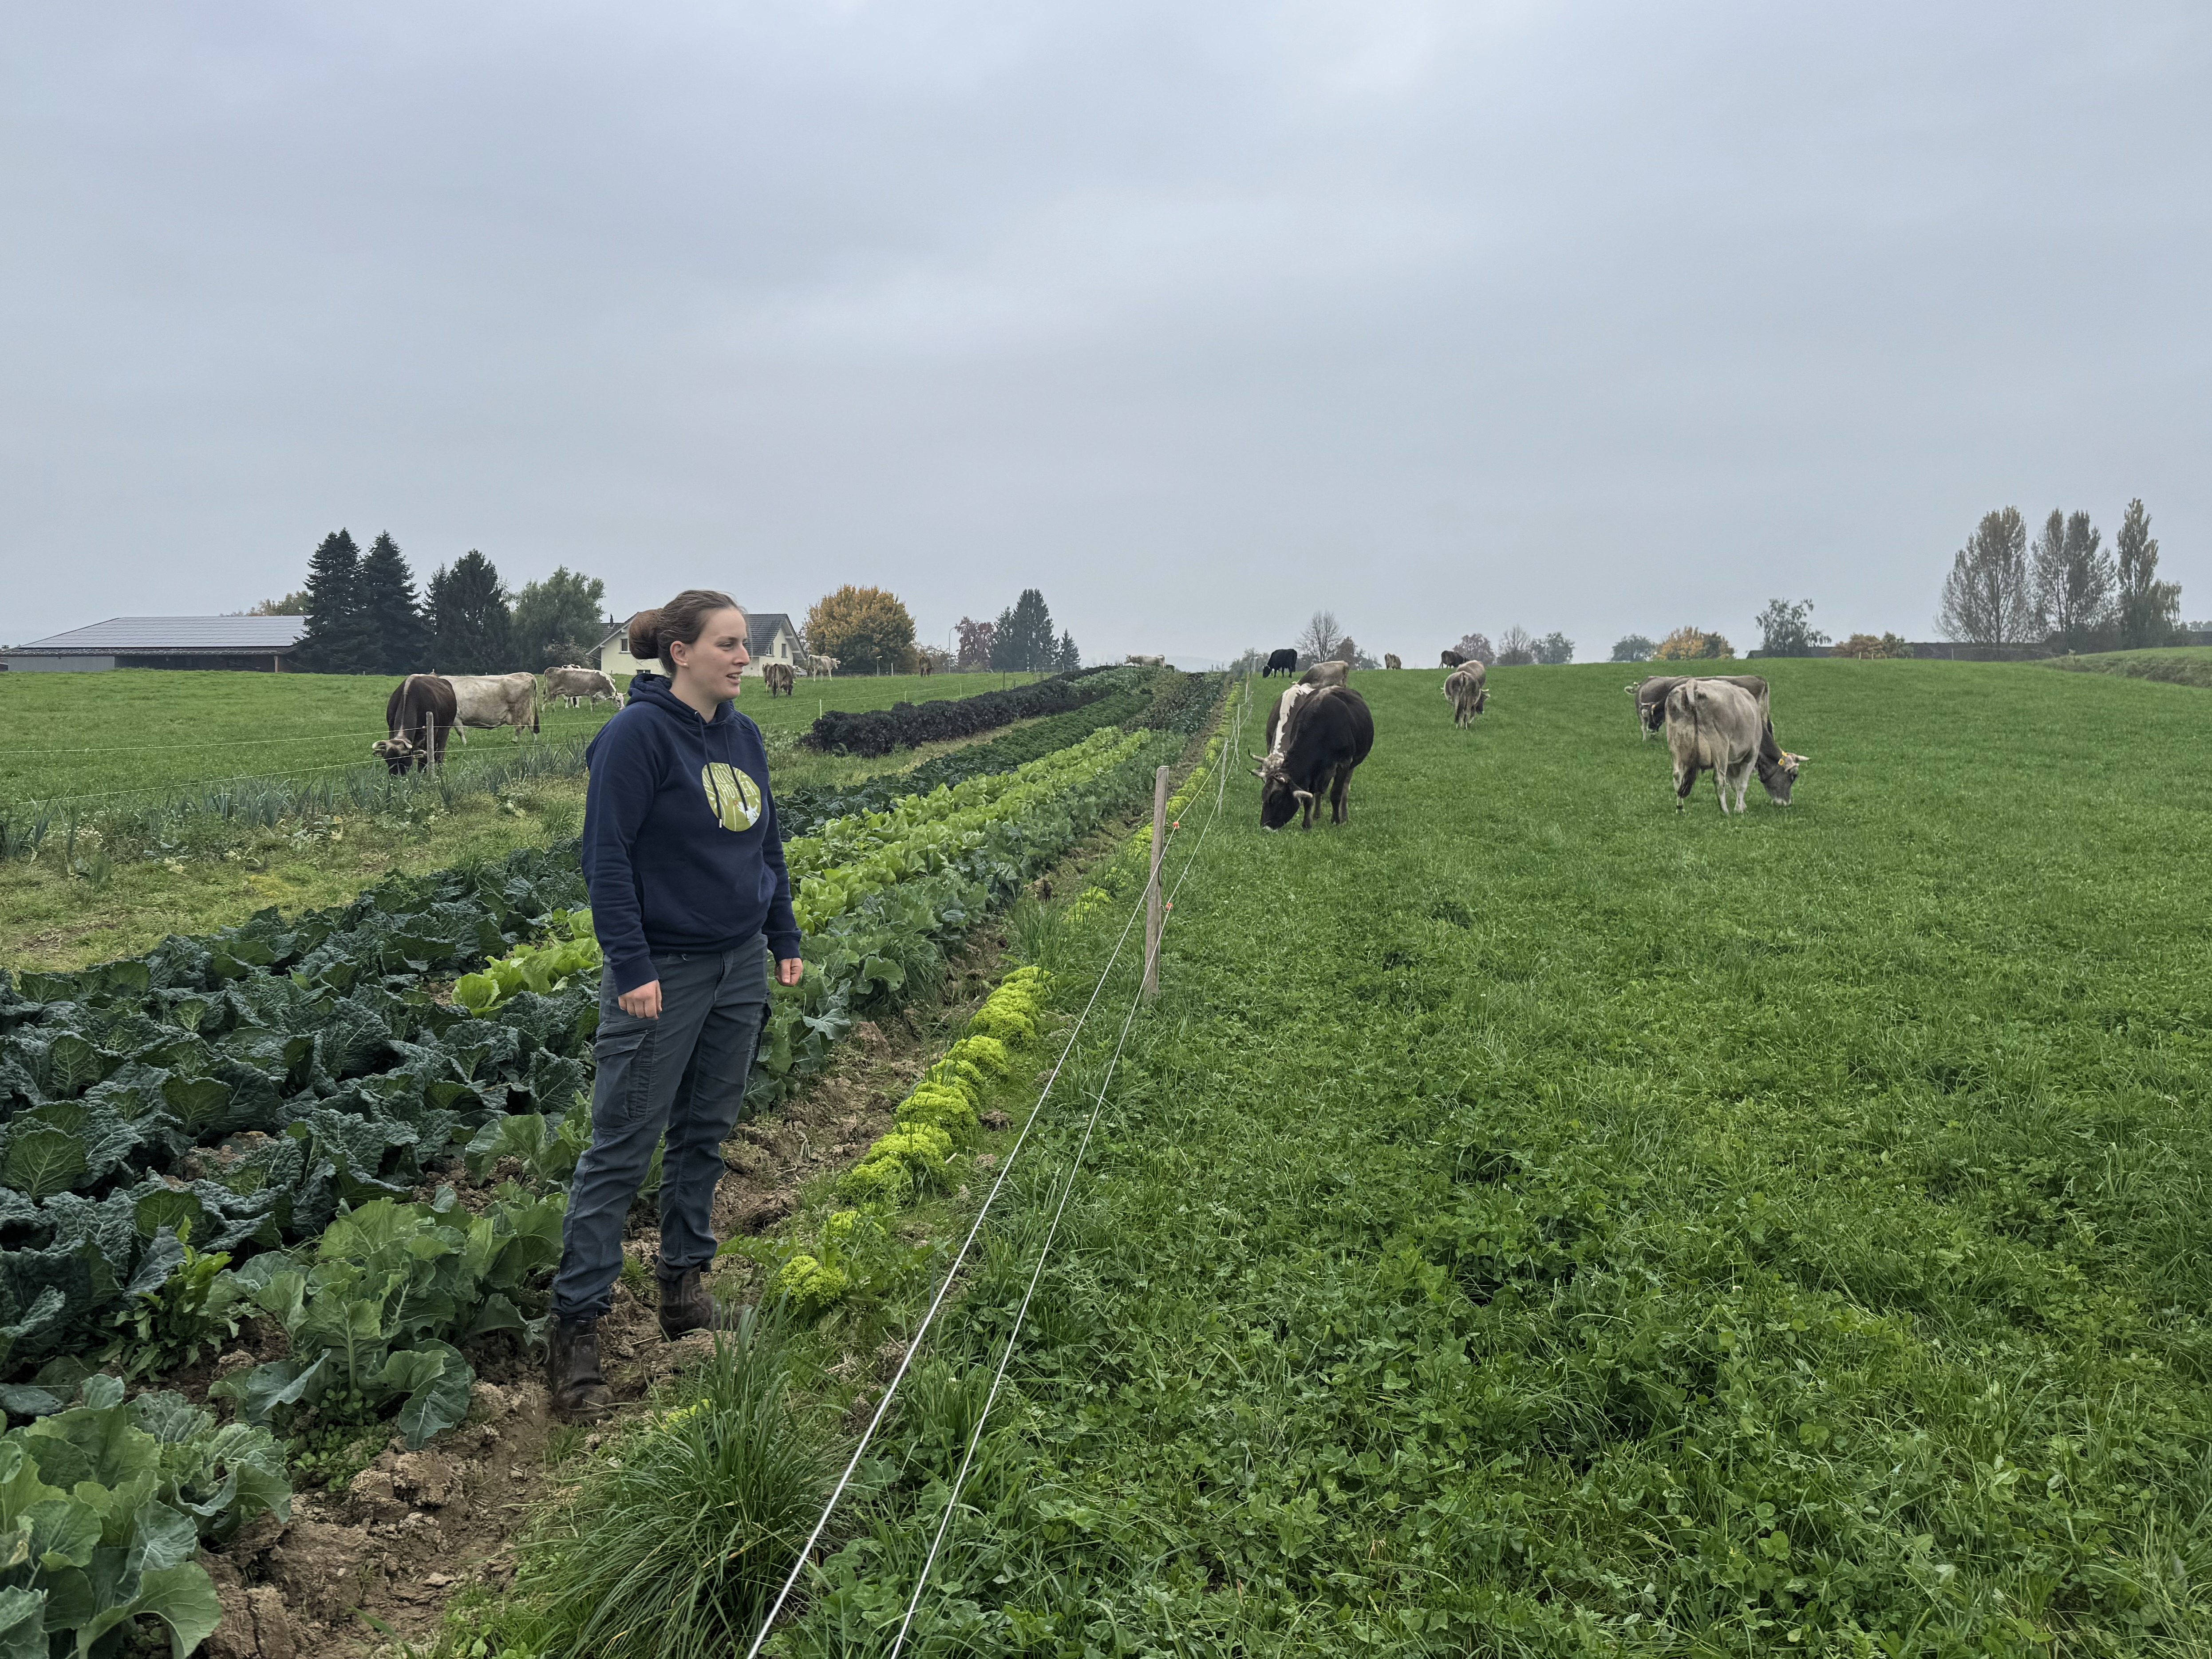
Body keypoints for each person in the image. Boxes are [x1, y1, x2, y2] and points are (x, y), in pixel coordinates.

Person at [546, 589, 804, 1420]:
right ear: (680, 652)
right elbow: (606, 858)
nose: (745, 658)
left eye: (745, 644)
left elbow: (766, 846)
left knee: (704, 1133)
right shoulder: (637, 736)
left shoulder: (743, 735)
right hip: (664, 969)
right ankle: (576, 1329)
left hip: (737, 966)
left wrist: (782, 934)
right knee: (623, 1145)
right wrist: (632, 963)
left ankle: (683, 1287)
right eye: (729, 644)